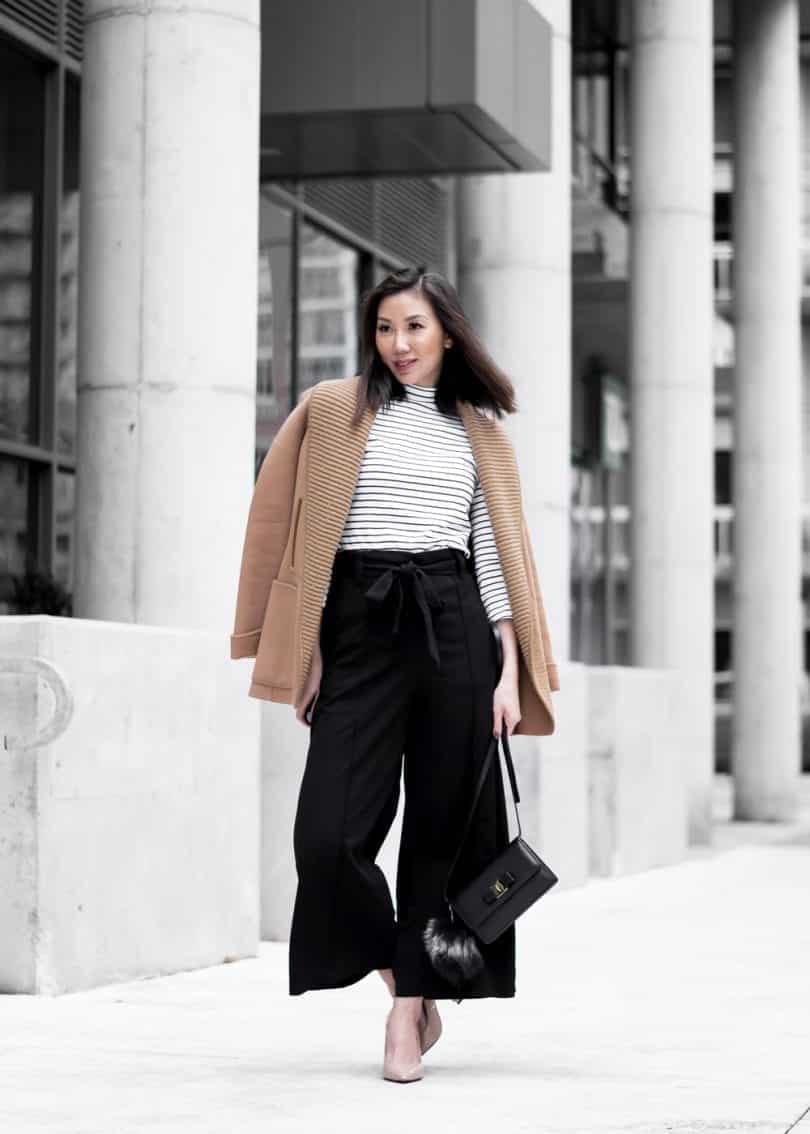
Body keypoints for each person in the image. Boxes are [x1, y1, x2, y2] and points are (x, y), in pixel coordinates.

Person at [230, 266, 559, 1084]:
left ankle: (407, 1014)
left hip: (457, 629)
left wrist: (509, 671)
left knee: (439, 841)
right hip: (361, 628)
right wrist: (302, 651)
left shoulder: (480, 430)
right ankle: (401, 967)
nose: (399, 345)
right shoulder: (337, 408)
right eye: (385, 329)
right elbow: (294, 530)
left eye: (414, 327)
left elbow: (497, 558)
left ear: (447, 331)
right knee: (329, 836)